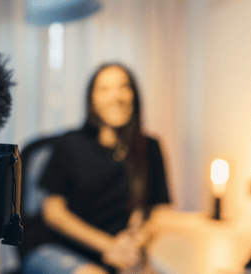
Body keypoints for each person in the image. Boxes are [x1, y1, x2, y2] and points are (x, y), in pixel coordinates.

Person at [19, 63, 171, 274]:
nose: (116, 96)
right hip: (55, 246)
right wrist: (108, 245)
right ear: (91, 100)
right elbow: (53, 212)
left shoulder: (149, 147)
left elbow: (157, 211)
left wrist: (137, 243)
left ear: (134, 95)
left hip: (118, 250)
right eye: (104, 89)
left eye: (123, 87)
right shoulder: (69, 145)